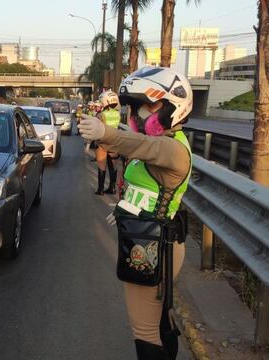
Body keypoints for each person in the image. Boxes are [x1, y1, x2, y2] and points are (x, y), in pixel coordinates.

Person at [78, 66, 193, 360]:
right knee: (159, 321)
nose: (140, 113)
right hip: (145, 240)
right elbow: (144, 179)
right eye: (138, 107)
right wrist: (123, 209)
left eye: (149, 105)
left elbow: (143, 144)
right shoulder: (162, 145)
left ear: (172, 108)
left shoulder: (172, 149)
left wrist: (106, 133)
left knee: (145, 331)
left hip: (153, 246)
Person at [94, 90, 121, 195]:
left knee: (102, 165)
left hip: (103, 142)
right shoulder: (117, 114)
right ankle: (112, 188)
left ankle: (100, 190)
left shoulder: (101, 115)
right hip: (115, 142)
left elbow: (97, 129)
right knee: (113, 166)